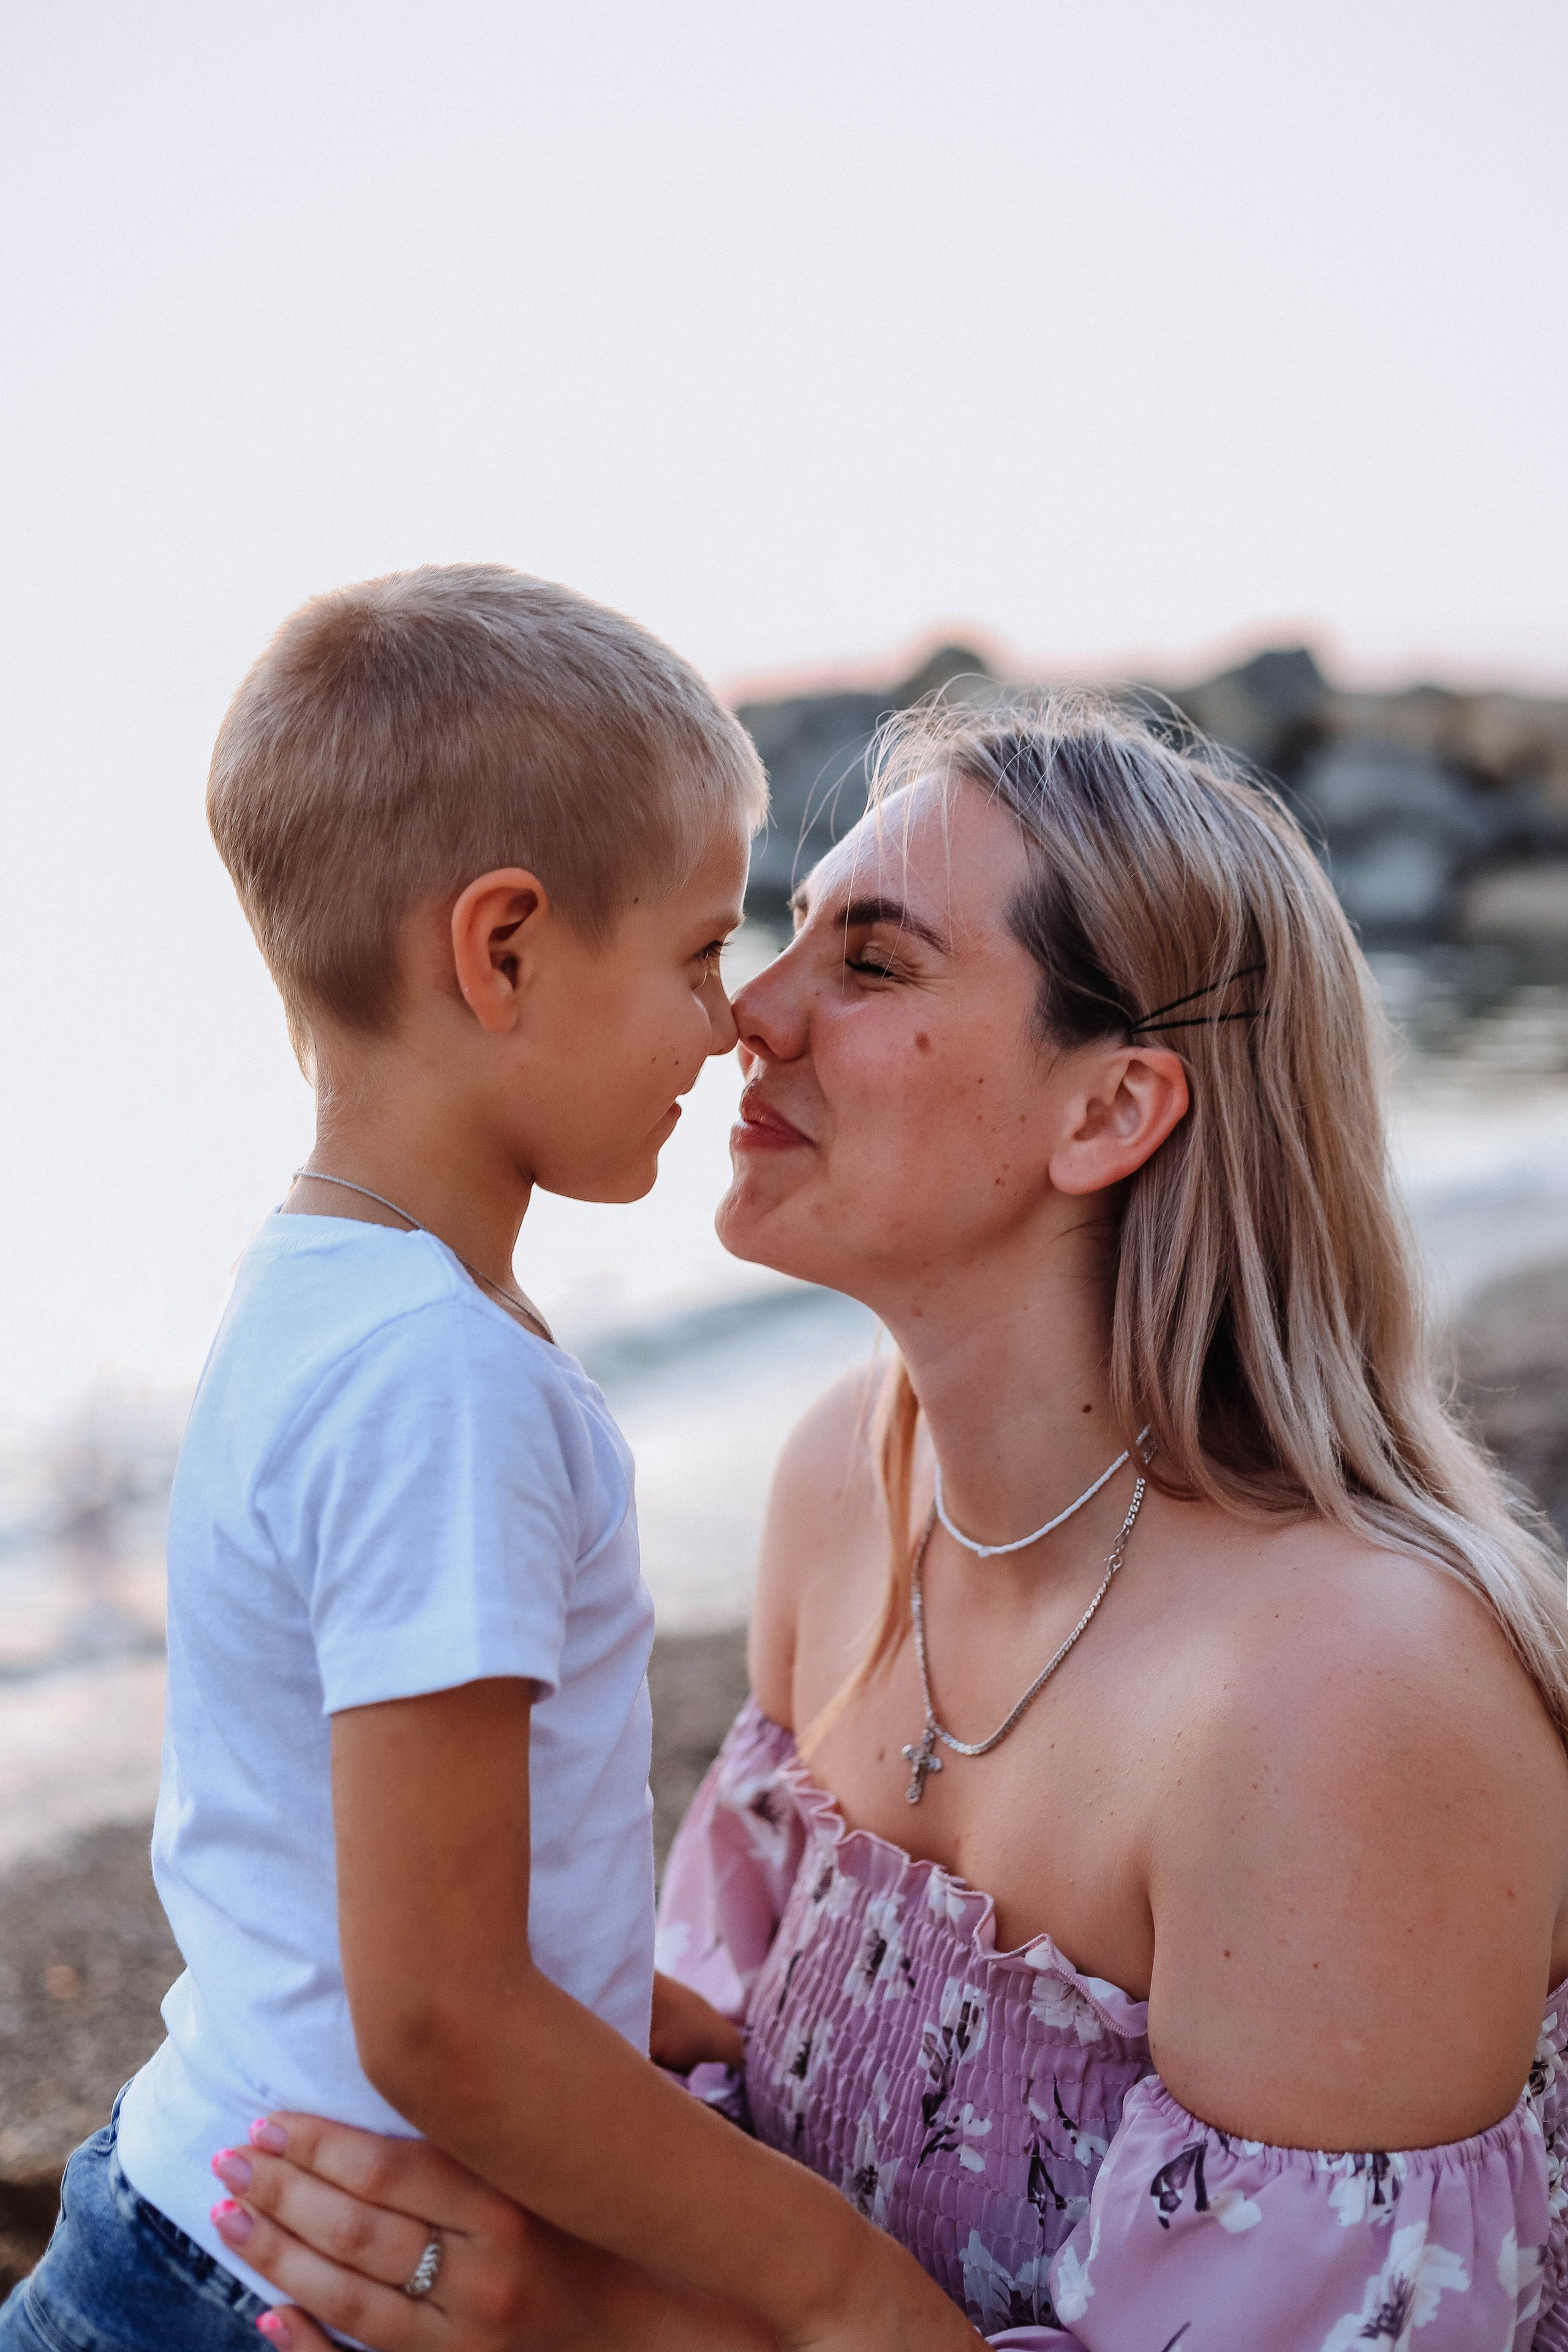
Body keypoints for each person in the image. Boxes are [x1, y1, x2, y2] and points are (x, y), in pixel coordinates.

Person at [216, 692, 1568, 2350]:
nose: (746, 1017)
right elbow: (741, 2109)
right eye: (785, 935)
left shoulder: (1355, 1707)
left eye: (871, 962)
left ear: (1107, 1113)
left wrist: (616, 2331)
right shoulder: (847, 1489)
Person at [0, 569, 983, 2352]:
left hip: (220, 2212)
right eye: (695, 955)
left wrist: (652, 2010)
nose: (729, 1020)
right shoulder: (433, 1387)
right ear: (504, 950)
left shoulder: (327, 1299)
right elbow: (445, 2015)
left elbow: (371, 1858)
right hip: (296, 2294)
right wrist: (836, 2283)